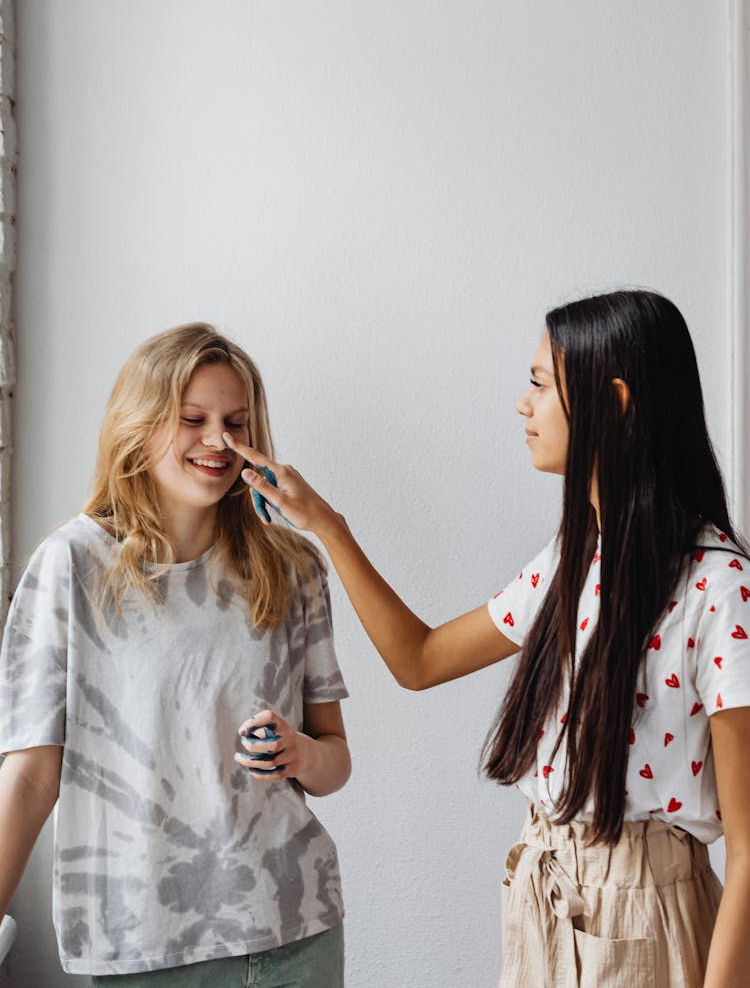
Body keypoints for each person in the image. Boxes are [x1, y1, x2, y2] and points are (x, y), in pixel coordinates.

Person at [224, 290, 750, 987]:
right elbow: (419, 659)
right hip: (545, 899)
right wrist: (324, 521)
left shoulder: (720, 586)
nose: (522, 405)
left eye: (539, 383)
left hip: (645, 922)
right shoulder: (575, 557)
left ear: (614, 401)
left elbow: (748, 848)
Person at [0, 323, 350, 987]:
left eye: (236, 422)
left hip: (293, 931)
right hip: (138, 944)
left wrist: (300, 753)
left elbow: (335, 758)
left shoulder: (293, 568)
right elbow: (28, 777)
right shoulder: (70, 567)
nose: (218, 440)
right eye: (193, 419)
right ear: (140, 426)